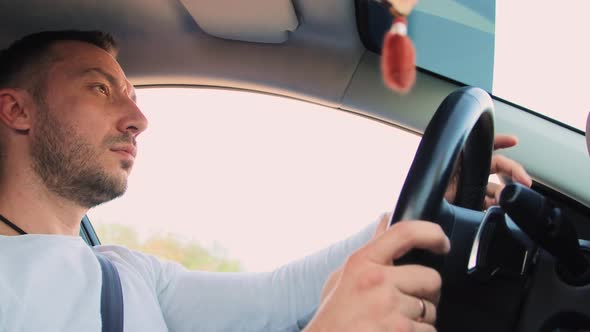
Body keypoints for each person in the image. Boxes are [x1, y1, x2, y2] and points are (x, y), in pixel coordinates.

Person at [0, 30, 531, 332]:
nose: (138, 119)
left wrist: (419, 210)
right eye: (99, 89)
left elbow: (277, 297)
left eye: (134, 96)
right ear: (16, 110)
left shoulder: (125, 273)